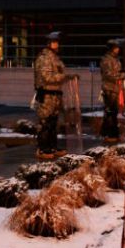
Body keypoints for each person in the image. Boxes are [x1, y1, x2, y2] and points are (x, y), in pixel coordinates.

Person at [33, 31, 74, 159]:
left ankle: (52, 147)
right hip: (46, 94)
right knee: (45, 122)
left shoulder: (55, 58)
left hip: (55, 94)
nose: (57, 45)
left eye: (57, 42)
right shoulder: (44, 58)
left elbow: (59, 74)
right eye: (54, 42)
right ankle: (42, 148)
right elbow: (47, 77)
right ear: (49, 43)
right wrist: (64, 77)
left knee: (53, 122)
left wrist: (68, 77)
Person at [100, 38, 125, 143]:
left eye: (118, 47)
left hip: (115, 89)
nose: (118, 50)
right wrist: (122, 75)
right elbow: (108, 74)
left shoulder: (115, 59)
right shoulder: (106, 59)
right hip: (109, 89)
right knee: (110, 112)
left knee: (113, 112)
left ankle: (112, 133)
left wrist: (122, 72)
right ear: (111, 48)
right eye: (116, 48)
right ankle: (109, 133)